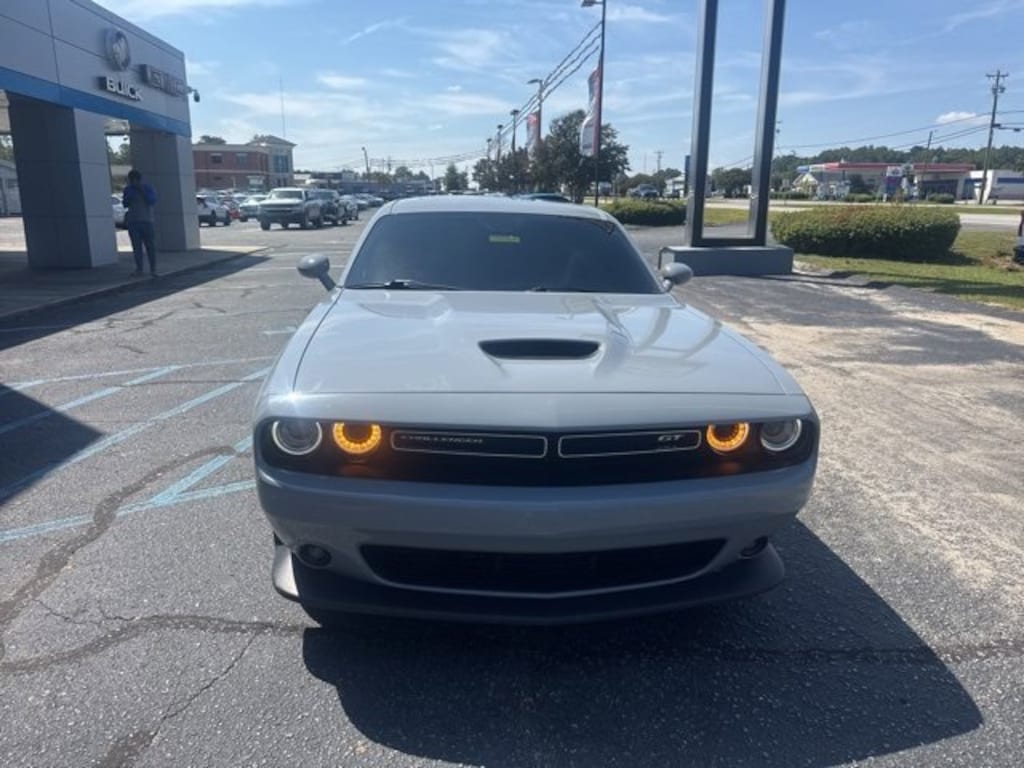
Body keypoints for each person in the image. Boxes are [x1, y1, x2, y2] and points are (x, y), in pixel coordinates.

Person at [122, 169, 158, 276]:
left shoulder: (148, 188)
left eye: (134, 180)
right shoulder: (128, 190)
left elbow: (152, 201)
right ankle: (139, 269)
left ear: (138, 180)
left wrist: (142, 191)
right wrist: (130, 195)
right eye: (131, 181)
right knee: (137, 248)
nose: (133, 183)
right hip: (133, 222)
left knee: (150, 247)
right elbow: (125, 203)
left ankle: (153, 269)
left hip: (147, 222)